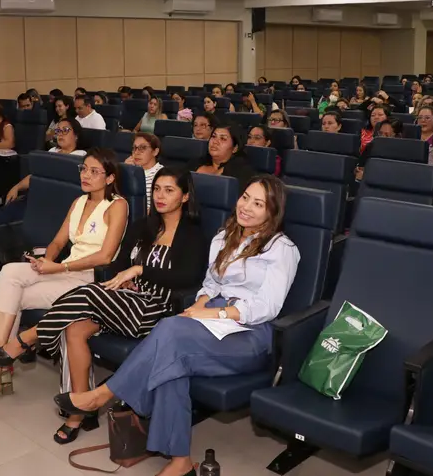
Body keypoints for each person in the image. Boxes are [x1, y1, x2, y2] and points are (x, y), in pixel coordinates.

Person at [55, 175, 299, 476]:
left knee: (169, 331)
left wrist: (216, 314)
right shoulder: (225, 235)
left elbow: (267, 306)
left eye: (258, 204)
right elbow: (211, 282)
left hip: (249, 333)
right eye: (245, 197)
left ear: (272, 212)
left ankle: (103, 394)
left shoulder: (280, 248)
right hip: (212, 318)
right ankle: (181, 462)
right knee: (173, 361)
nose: (246, 206)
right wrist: (200, 305)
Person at [0, 149, 128, 404]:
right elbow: (57, 241)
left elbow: (106, 257)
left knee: (14, 295)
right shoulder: (78, 202)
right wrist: (48, 261)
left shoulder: (117, 205)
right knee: (10, 272)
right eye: (84, 169)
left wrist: (60, 268)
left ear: (109, 178)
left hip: (88, 280)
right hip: (63, 271)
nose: (86, 175)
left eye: (94, 171)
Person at [0, 118, 87, 227]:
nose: (60, 134)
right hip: (37, 195)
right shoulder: (52, 151)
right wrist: (17, 187)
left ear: (76, 135)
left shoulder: (80, 156)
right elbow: (36, 175)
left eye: (65, 130)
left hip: (56, 203)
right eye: (58, 131)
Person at [187, 122, 256, 186]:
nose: (215, 142)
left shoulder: (242, 172)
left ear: (235, 148)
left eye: (223, 139)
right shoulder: (196, 162)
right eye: (213, 136)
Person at [124, 133, 163, 212]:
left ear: (155, 152)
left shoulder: (162, 174)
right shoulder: (128, 169)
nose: (136, 152)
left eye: (143, 148)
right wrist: (125, 172)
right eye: (134, 148)